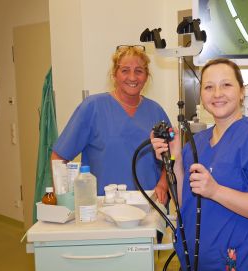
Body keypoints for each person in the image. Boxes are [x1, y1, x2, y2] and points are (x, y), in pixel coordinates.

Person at [151, 58, 248, 270]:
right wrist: (176, 160)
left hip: (244, 262)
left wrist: (215, 191)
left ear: (242, 91)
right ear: (201, 95)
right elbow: (186, 203)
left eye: (226, 85)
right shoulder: (196, 143)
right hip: (197, 262)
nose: (217, 93)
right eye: (209, 87)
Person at [51, 45, 170, 203]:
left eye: (139, 71)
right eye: (125, 70)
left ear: (146, 76)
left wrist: (163, 184)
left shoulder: (156, 112)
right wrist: (62, 200)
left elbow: (172, 158)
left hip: (149, 204)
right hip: (103, 207)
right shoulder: (92, 107)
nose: (132, 77)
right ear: (114, 74)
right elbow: (59, 157)